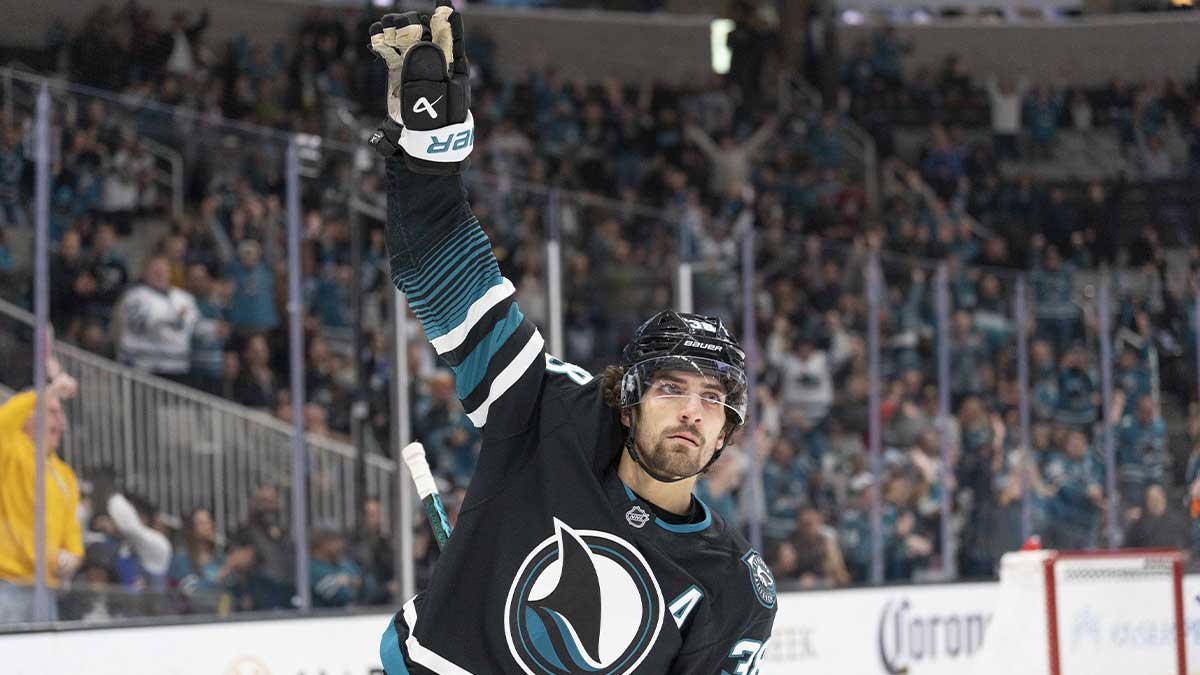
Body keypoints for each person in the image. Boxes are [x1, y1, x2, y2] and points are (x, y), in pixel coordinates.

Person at [369, 5, 776, 672]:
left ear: (728, 428)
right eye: (672, 386)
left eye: (712, 399)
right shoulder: (550, 410)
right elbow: (444, 280)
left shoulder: (732, 587)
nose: (691, 411)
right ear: (628, 399)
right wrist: (426, 168)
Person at [0, 371, 82, 624]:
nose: (60, 420)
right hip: (7, 585)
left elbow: (71, 528)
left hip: (45, 589)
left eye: (60, 412)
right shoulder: (11, 452)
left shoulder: (65, 474)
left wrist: (74, 555)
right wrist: (47, 392)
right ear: (29, 417)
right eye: (51, 411)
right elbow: (3, 421)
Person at [114, 254, 199, 382]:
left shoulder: (185, 298)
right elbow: (139, 323)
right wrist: (174, 319)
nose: (159, 274)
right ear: (145, 273)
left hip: (177, 368)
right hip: (142, 367)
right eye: (155, 270)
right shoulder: (134, 296)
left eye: (163, 270)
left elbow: (192, 325)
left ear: (170, 272)